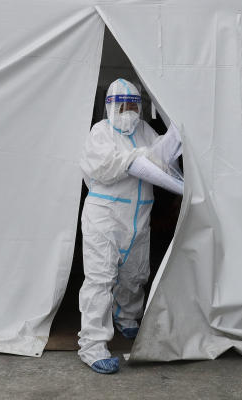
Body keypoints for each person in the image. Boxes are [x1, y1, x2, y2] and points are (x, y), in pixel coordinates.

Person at [77, 79, 182, 375]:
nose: (129, 112)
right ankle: (92, 345)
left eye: (134, 106)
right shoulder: (101, 132)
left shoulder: (144, 130)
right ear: (110, 106)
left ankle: (127, 318)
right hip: (106, 214)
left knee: (135, 272)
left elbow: (161, 157)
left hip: (138, 215)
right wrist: (138, 157)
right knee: (100, 278)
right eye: (123, 106)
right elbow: (103, 167)